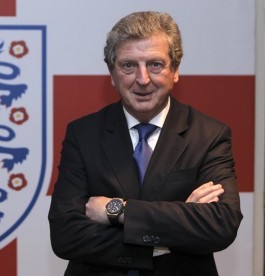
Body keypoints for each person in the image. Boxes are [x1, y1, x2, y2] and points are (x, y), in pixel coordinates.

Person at [48, 11, 243, 276]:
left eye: (155, 64)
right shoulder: (83, 134)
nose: (143, 79)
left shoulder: (209, 135)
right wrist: (166, 237)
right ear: (112, 73)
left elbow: (221, 225)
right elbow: (65, 234)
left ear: (175, 71)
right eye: (129, 65)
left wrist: (116, 210)